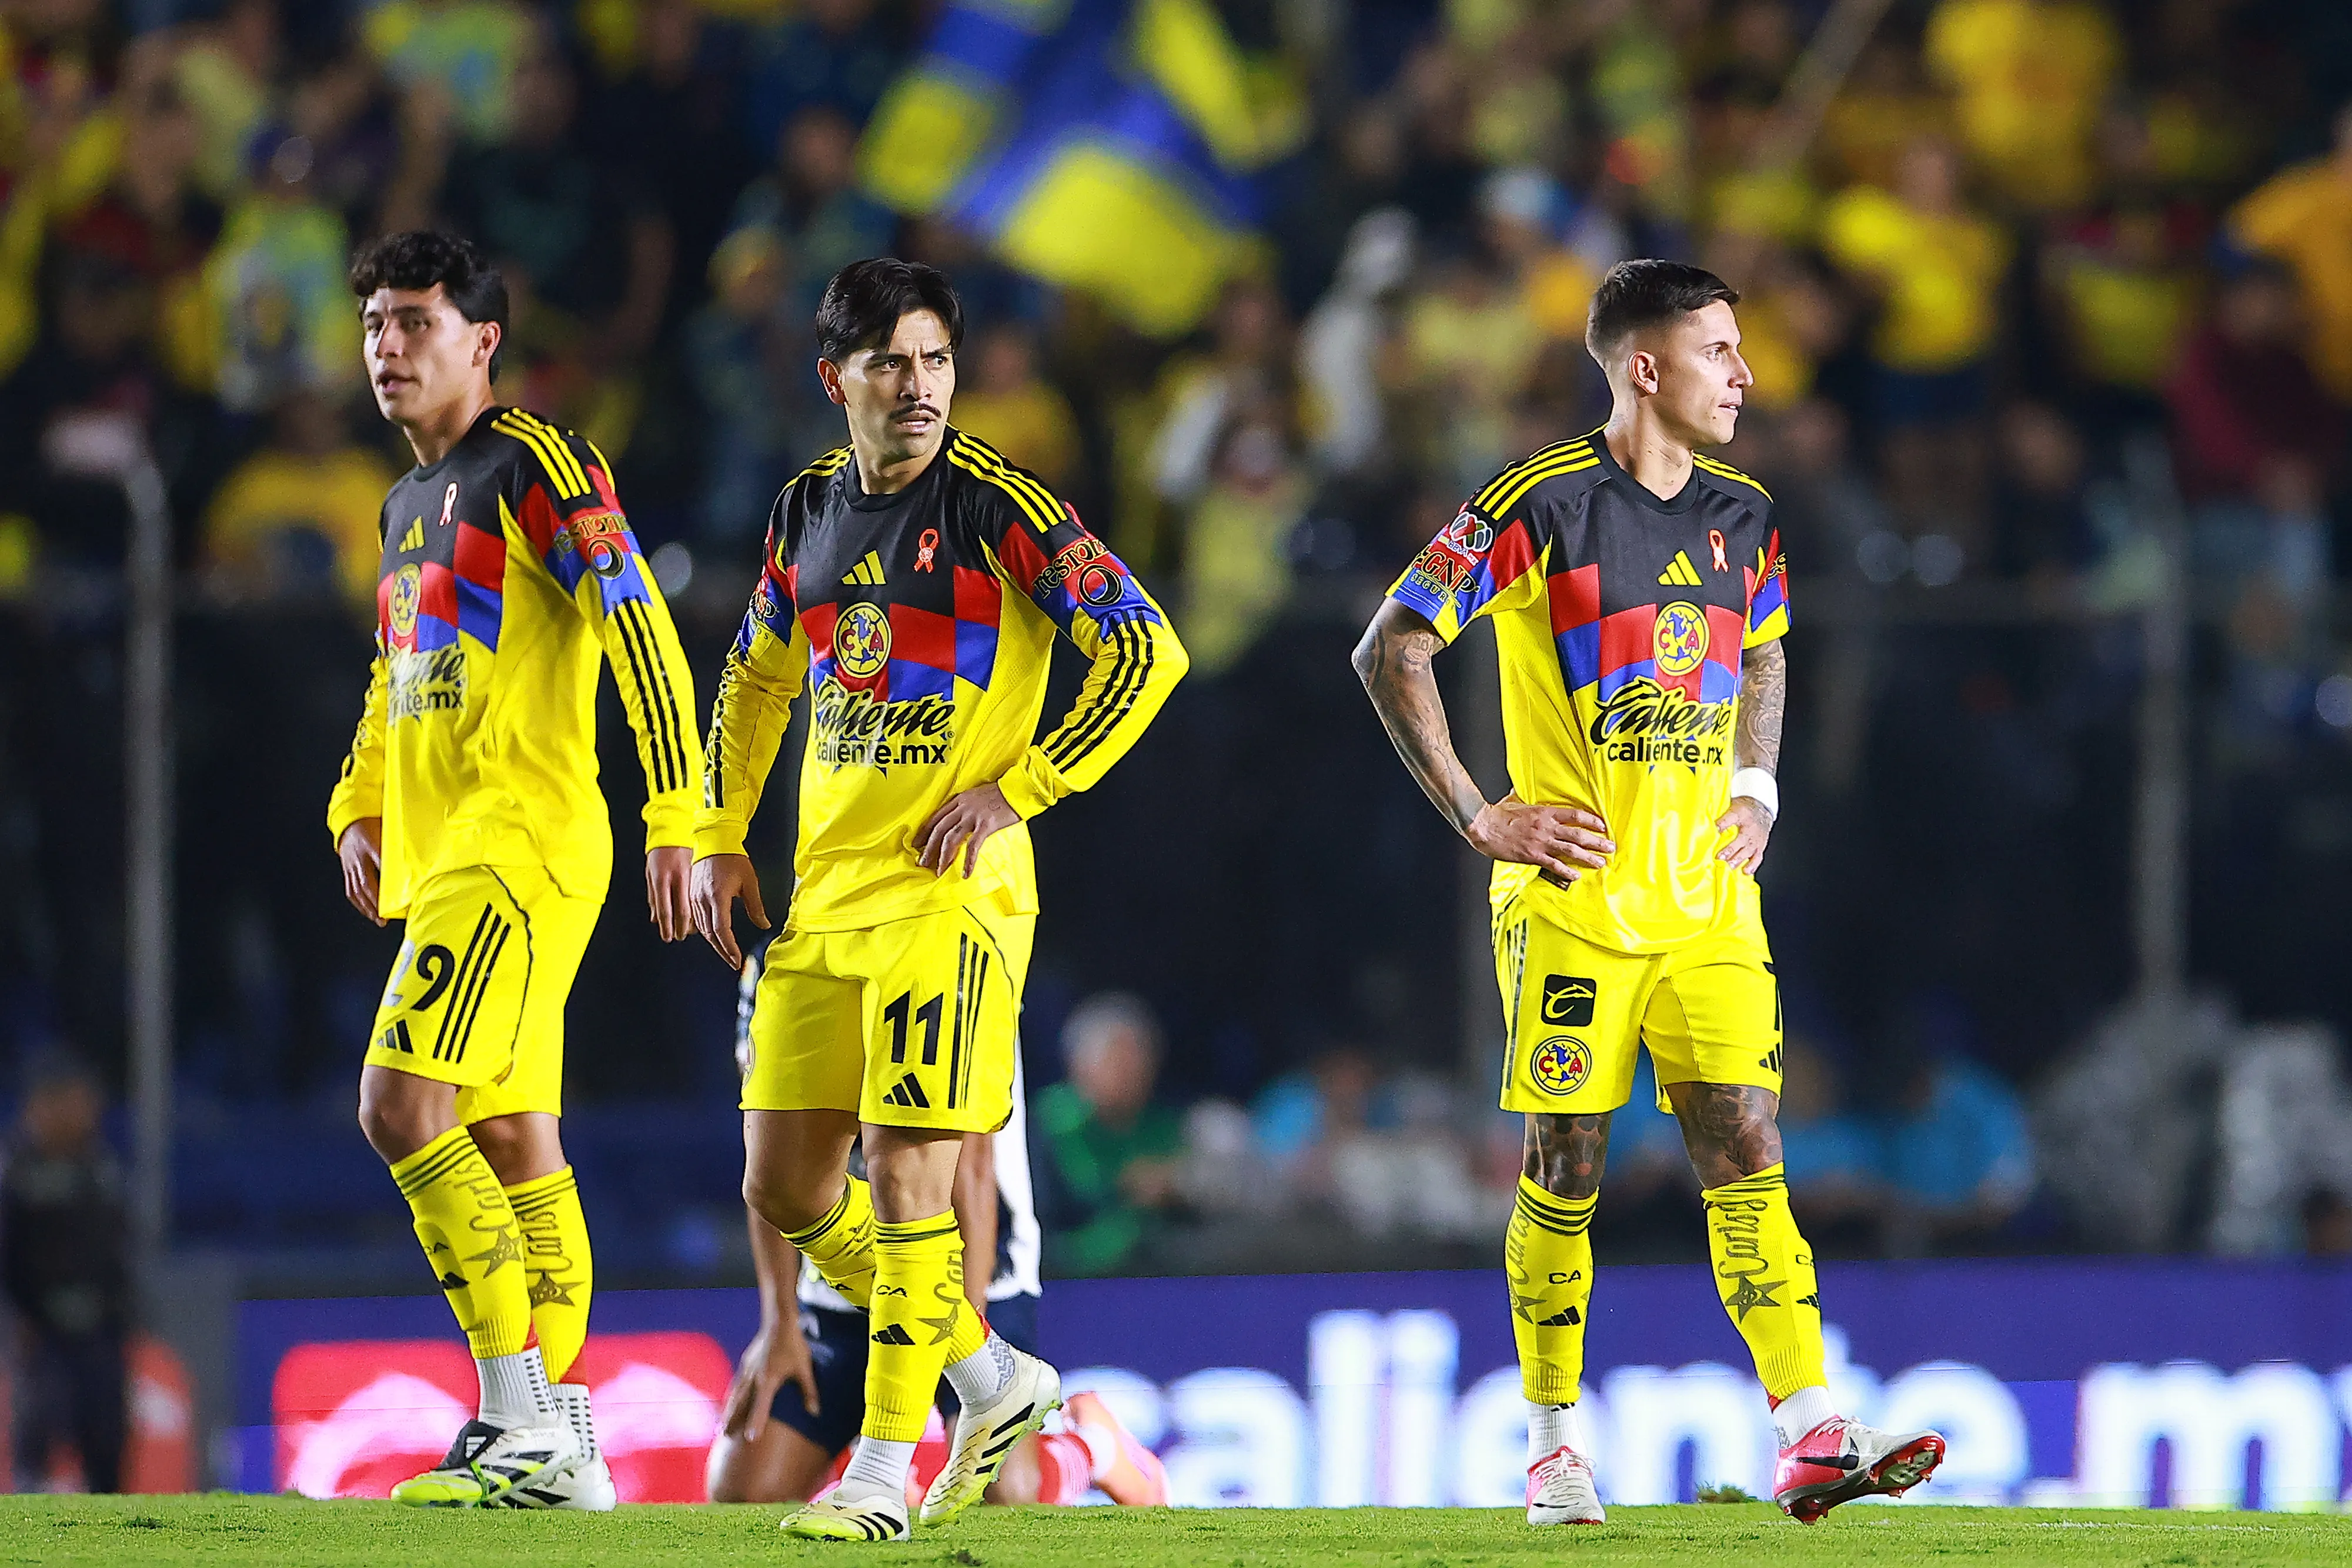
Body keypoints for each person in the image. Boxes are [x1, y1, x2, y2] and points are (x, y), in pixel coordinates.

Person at [1351, 259, 1944, 1527]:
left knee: (1745, 1139)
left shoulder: (1746, 512)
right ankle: (1554, 1442)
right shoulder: (1536, 501)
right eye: (1720, 351)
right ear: (1644, 367)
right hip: (1570, 899)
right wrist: (1477, 811)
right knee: (1565, 1163)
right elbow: (1390, 643)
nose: (1744, 375)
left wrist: (1758, 790)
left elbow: (1767, 646)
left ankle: (1807, 1426)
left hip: (1709, 900)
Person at [691, 256, 1187, 1542]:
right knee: (787, 1185)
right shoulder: (804, 507)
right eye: (891, 365)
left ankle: (877, 1474)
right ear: (835, 379)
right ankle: (988, 1377)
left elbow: (1146, 646)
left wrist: (1021, 788)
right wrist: (715, 830)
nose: (918, 389)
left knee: (913, 1177)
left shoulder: (999, 507)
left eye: (936, 363)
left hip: (954, 901)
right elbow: (753, 681)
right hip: (825, 900)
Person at [326, 230, 700, 1510]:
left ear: (483, 340)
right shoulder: (402, 504)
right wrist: (358, 804)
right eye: (376, 322)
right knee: (511, 1129)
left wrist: (678, 809)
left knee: (396, 1106)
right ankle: (563, 1444)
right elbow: (395, 674)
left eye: (416, 321)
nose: (388, 346)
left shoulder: (534, 459)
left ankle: (518, 1415)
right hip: (449, 854)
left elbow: (634, 612)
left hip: (520, 837)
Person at [707, 951, 1165, 1510]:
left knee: (1007, 1501)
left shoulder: (947, 947)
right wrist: (779, 1320)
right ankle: (878, 1472)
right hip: (839, 1284)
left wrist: (968, 1354)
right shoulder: (778, 958)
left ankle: (1087, 1446)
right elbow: (769, 1151)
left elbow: (972, 1172)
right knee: (743, 1490)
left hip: (976, 1272)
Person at [2, 1059, 129, 1494]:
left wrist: (123, 1311)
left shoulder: (100, 1163)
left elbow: (117, 1247)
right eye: (75, 1102)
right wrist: (20, 1314)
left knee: (106, 1438)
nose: (87, 1112)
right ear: (44, 1106)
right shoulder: (15, 1169)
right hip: (40, 1331)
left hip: (99, 1329)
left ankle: (112, 1543)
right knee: (36, 1437)